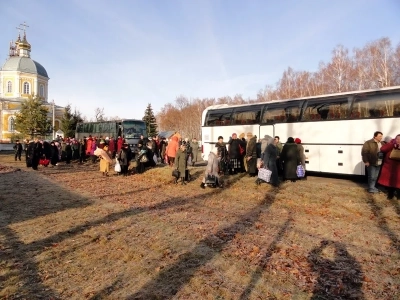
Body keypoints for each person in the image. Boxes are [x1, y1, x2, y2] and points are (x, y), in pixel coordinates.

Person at [377, 134, 400, 199]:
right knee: (391, 183)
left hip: (398, 168)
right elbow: (382, 149)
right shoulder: (391, 144)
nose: (398, 141)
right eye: (397, 139)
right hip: (390, 168)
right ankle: (390, 195)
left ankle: (398, 196)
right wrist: (392, 144)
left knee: (398, 183)